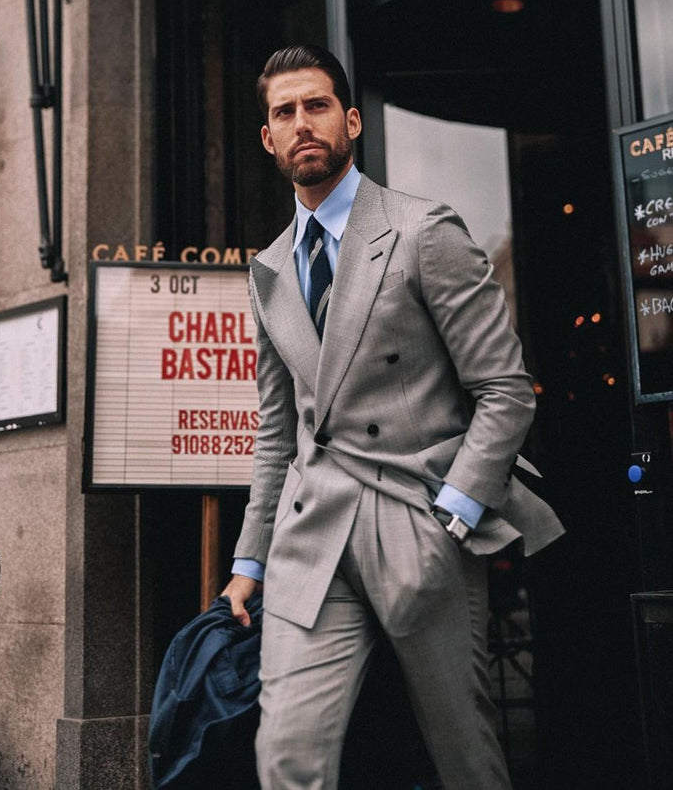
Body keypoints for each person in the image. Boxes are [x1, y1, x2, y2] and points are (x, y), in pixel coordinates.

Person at [221, 44, 564, 790]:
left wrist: (456, 508)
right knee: (286, 755)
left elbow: (504, 388)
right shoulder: (270, 267)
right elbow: (278, 431)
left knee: (463, 754)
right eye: (284, 112)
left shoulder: (421, 231)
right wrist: (248, 560)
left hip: (418, 519)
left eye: (316, 106)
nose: (301, 122)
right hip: (310, 538)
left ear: (349, 121)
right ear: (266, 138)